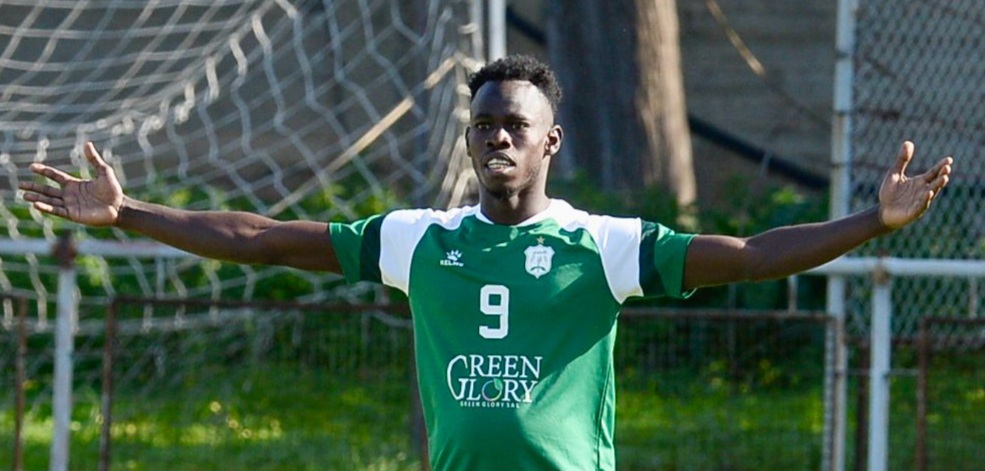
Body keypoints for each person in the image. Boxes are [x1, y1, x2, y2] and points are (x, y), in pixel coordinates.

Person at [19, 55, 952, 470]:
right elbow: (260, 236)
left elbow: (749, 256)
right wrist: (129, 212)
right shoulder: (417, 240)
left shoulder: (602, 246)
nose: (497, 135)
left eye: (515, 124)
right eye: (483, 125)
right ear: (468, 141)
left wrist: (870, 221)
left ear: (551, 142)